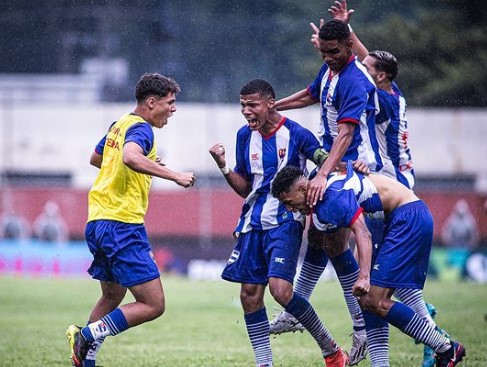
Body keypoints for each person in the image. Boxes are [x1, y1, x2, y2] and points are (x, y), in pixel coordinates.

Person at [209, 78, 349, 367]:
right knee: (249, 295)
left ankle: (331, 351)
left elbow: (329, 161)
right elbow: (247, 187)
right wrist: (223, 165)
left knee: (281, 290)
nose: (246, 111)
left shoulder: (296, 134)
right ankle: (264, 364)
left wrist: (341, 171)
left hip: (286, 220)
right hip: (252, 222)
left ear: (270, 103)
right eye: (242, 106)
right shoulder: (244, 137)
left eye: (252, 105)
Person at [271, 163, 467, 367]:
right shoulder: (319, 190)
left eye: (288, 201)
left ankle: (446, 347)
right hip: (394, 219)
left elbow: (363, 233)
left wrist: (364, 276)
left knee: (375, 300)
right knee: (369, 302)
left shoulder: (331, 198)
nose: (289, 208)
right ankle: (389, 361)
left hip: (406, 218)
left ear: (302, 189)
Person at [66, 73, 196, 367]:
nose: (173, 109)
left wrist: (145, 164)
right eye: (170, 102)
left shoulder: (120, 123)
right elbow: (129, 158)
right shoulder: (142, 128)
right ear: (152, 102)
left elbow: (97, 158)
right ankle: (86, 335)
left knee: (112, 296)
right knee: (153, 304)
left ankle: (84, 359)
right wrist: (174, 174)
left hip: (98, 220)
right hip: (121, 224)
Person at [270, 17, 380, 365]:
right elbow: (309, 94)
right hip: (336, 163)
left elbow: (346, 134)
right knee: (318, 237)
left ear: (350, 46)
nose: (328, 57)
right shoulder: (331, 70)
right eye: (324, 52)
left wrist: (322, 175)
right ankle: (301, 309)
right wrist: (276, 107)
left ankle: (363, 327)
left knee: (334, 241)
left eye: (334, 52)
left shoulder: (354, 80)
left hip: (352, 166)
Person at [441, 199, 479, 275]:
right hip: (454, 246)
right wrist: (448, 241)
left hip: (465, 247)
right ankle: (451, 272)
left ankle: (463, 272)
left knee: (464, 262)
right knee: (451, 262)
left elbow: (474, 234)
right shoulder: (452, 220)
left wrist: (472, 244)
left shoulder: (470, 221)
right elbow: (446, 232)